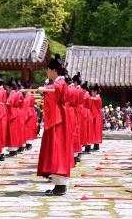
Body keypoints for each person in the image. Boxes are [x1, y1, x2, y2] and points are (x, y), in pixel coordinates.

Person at [37, 54, 72, 196]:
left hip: (59, 121)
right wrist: (46, 90)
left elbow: (55, 89)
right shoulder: (60, 83)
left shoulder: (60, 83)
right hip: (60, 119)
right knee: (57, 149)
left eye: (48, 70)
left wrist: (45, 90)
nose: (47, 72)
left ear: (54, 71)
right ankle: (59, 185)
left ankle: (60, 186)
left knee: (57, 149)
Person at [90, 84, 103, 150]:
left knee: (96, 130)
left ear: (95, 92)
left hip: (96, 116)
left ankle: (96, 145)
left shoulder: (97, 98)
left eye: (92, 92)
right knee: (95, 131)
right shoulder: (96, 98)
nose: (91, 93)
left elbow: (93, 99)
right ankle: (95, 144)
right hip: (95, 116)